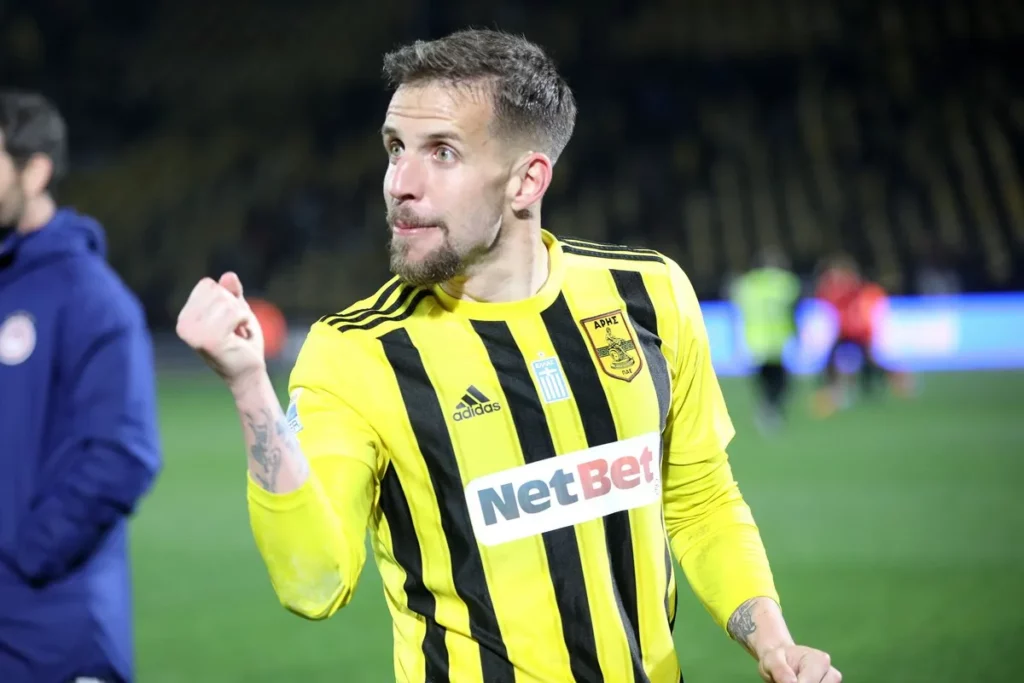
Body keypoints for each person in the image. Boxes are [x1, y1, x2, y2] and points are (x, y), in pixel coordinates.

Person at [176, 30, 841, 683]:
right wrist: (250, 388)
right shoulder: (357, 352)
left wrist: (773, 642)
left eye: (441, 152)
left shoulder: (650, 295)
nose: (400, 182)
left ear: (526, 181)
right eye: (395, 147)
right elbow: (314, 582)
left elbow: (700, 499)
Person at [0, 91, 162, 683]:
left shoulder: (92, 297)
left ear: (35, 171)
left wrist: (24, 555)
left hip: (55, 635)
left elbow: (124, 454)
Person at [812, 255, 906, 416]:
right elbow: (823, 297)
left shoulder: (853, 287)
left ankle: (892, 378)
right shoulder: (835, 289)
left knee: (869, 362)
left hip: (858, 330)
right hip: (844, 331)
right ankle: (833, 391)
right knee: (832, 360)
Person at [729, 247, 802, 433]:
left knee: (764, 380)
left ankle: (766, 408)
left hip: (756, 341)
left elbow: (733, 296)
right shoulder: (784, 283)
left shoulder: (747, 284)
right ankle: (771, 409)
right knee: (779, 380)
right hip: (778, 340)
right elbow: (795, 300)